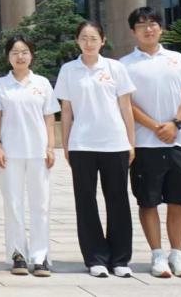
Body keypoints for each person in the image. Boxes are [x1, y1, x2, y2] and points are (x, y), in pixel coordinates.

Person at [119, 7, 181, 279]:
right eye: (142, 25)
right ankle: (157, 254)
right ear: (133, 31)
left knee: (179, 200)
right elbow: (126, 103)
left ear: (161, 28)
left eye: (153, 23)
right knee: (148, 201)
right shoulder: (125, 65)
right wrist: (155, 126)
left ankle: (177, 253)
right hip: (145, 144)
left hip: (180, 142)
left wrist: (175, 123)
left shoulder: (177, 59)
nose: (148, 29)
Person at [55, 20, 137, 278]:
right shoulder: (69, 70)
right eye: (83, 38)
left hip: (115, 143)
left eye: (93, 38)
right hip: (82, 144)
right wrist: (66, 144)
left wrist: (131, 142)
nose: (88, 43)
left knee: (118, 200)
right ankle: (95, 258)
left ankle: (120, 258)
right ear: (76, 41)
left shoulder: (115, 68)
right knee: (86, 201)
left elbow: (126, 107)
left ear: (103, 41)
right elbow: (66, 111)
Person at [0, 35, 59, 278]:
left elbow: (49, 118)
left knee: (41, 204)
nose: (20, 56)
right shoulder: (1, 84)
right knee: (13, 203)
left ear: (32, 55)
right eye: (15, 52)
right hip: (10, 152)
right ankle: (17, 253)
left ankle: (40, 256)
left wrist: (51, 147)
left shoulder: (42, 83)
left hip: (39, 151)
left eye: (25, 52)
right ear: (8, 56)